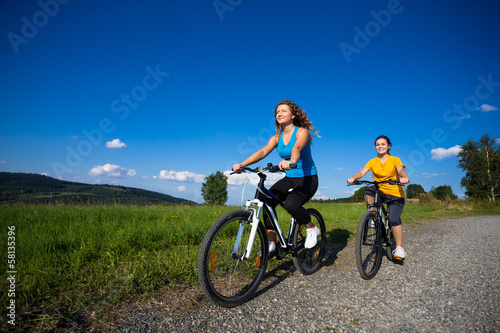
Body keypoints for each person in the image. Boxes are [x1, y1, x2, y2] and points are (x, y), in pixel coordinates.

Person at [232, 100, 320, 255]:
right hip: (290, 178)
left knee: (291, 205)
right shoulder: (277, 138)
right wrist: (242, 164)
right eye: (277, 112)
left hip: (308, 178)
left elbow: (297, 147)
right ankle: (271, 242)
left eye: (284, 111)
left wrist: (291, 161)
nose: (279, 113)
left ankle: (311, 227)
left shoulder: (301, 132)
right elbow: (262, 152)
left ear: (293, 115)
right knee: (266, 203)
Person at [347, 135, 410, 260]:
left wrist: (404, 177)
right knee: (369, 190)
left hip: (395, 194)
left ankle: (399, 248)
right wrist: (354, 178)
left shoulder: (395, 160)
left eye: (383, 144)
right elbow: (362, 172)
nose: (380, 147)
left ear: (388, 146)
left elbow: (400, 170)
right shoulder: (372, 161)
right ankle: (373, 216)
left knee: (393, 219)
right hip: (380, 191)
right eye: (377, 144)